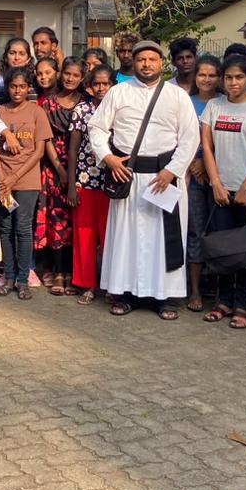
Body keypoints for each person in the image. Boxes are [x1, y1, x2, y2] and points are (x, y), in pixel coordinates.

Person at [88, 40, 200, 319]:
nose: (147, 64)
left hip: (165, 177)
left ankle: (164, 298)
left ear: (162, 63)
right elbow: (97, 128)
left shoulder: (177, 96)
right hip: (127, 175)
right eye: (141, 60)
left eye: (152, 59)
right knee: (127, 238)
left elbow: (190, 137)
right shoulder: (118, 92)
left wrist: (172, 170)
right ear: (134, 63)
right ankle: (125, 294)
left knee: (163, 240)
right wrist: (108, 158)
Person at [199, 54, 246, 327]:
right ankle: (223, 301)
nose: (233, 82)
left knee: (245, 249)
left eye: (239, 77)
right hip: (220, 188)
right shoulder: (213, 106)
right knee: (222, 247)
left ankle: (242, 305)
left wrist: (245, 187)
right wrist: (217, 183)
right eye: (229, 77)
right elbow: (207, 147)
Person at [0, 67, 52, 300]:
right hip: (3, 182)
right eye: (13, 86)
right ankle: (10, 275)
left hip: (26, 181)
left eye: (22, 86)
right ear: (7, 87)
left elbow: (39, 152)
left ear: (28, 88)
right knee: (5, 227)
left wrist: (14, 178)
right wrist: (2, 178)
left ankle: (23, 279)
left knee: (23, 229)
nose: (17, 91)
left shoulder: (37, 113)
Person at [36, 56, 83, 295]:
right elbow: (46, 140)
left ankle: (72, 272)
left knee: (77, 222)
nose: (70, 78)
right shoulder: (47, 103)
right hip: (54, 168)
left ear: (82, 77)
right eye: (67, 73)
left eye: (76, 75)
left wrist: (73, 173)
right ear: (60, 73)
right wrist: (61, 170)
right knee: (56, 222)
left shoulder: (86, 103)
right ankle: (56, 271)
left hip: (83, 170)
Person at [67, 64, 114, 304]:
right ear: (90, 86)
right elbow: (73, 149)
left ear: (113, 85)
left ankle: (111, 285)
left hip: (112, 182)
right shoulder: (82, 110)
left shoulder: (121, 110)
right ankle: (86, 284)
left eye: (106, 83)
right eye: (97, 83)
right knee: (85, 236)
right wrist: (71, 184)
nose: (101, 88)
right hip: (85, 180)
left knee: (110, 236)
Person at [185, 54, 222, 312]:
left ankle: (220, 291)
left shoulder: (225, 103)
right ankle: (195, 290)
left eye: (211, 75)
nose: (206, 79)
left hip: (221, 177)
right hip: (193, 179)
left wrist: (208, 164)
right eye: (202, 74)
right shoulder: (185, 103)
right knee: (196, 232)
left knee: (221, 234)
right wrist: (192, 163)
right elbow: (176, 137)